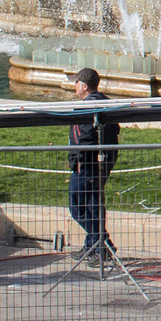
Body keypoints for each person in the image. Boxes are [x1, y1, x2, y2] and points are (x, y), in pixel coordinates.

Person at [64, 69, 119, 259]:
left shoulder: (88, 107)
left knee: (77, 207)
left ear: (84, 86)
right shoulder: (106, 102)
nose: (75, 86)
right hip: (101, 165)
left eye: (76, 82)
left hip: (86, 166)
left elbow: (85, 138)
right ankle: (94, 248)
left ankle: (101, 242)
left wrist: (77, 161)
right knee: (93, 206)